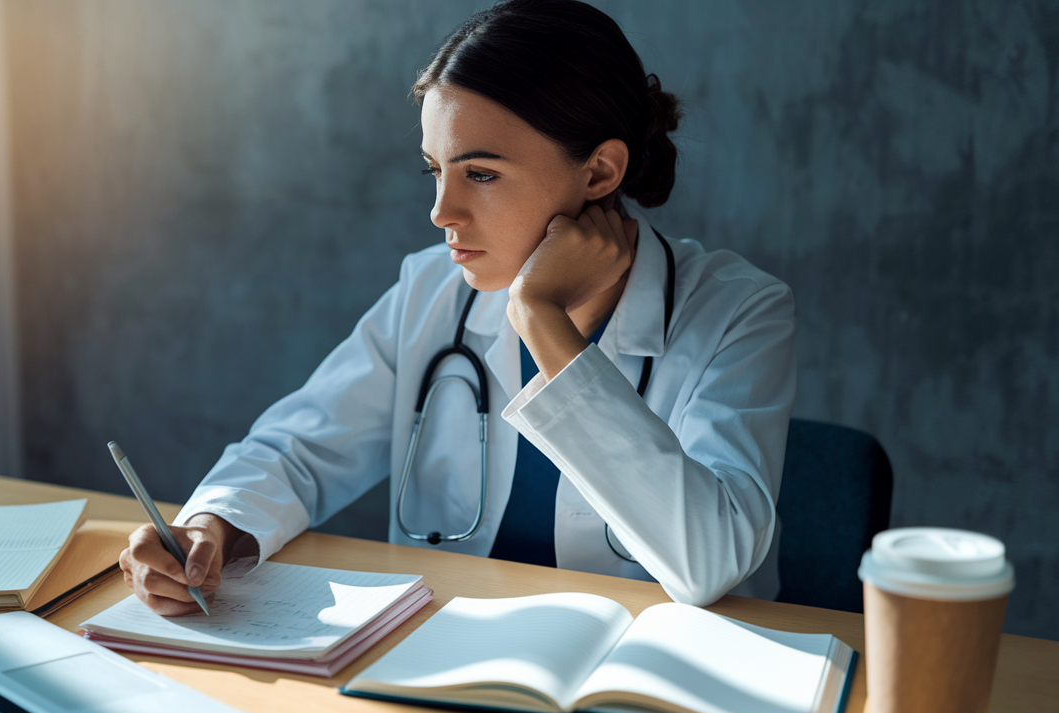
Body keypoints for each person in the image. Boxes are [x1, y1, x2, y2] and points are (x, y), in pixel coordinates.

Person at [119, 0, 795, 612]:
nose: (443, 212)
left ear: (598, 172)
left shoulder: (736, 313)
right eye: (434, 171)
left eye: (481, 174)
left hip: (647, 710)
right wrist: (209, 527)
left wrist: (542, 320)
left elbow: (710, 562)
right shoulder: (430, 293)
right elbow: (299, 450)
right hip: (445, 690)